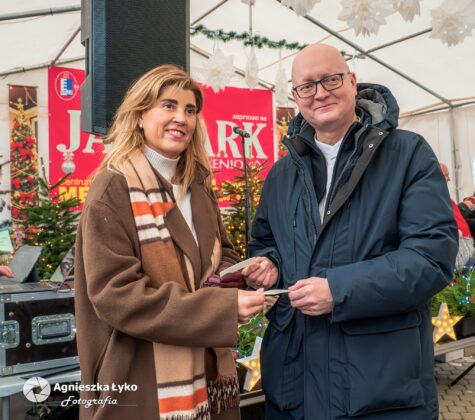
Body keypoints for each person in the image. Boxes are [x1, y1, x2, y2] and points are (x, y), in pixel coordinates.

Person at [242, 44, 458, 419]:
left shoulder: (407, 155)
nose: (320, 93)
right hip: (294, 388)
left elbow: (431, 258)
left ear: (353, 82)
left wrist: (339, 290)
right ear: (295, 96)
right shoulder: (281, 175)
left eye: (330, 79)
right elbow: (266, 242)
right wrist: (270, 264)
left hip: (379, 389)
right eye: (307, 86)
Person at [74, 65, 265, 420]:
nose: (181, 118)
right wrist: (220, 309)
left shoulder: (198, 185)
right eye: (168, 105)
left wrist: (240, 275)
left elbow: (223, 254)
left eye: (190, 110)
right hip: (140, 377)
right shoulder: (113, 186)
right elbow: (116, 295)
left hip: (210, 375)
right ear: (139, 115)